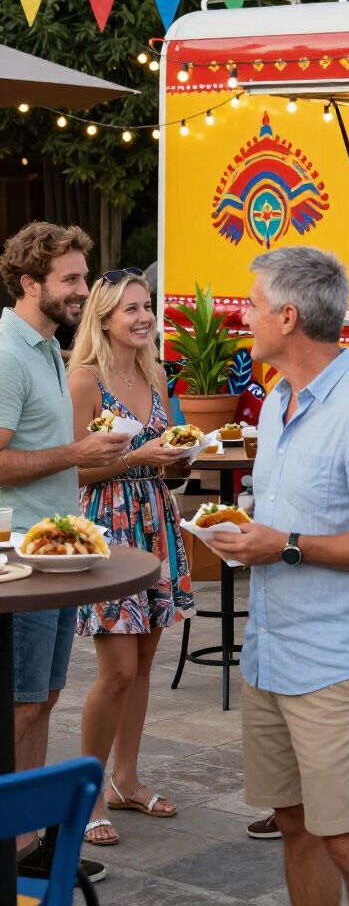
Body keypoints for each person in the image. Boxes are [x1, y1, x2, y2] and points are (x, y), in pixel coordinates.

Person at [207, 246, 349, 906]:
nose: (245, 317)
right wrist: (251, 536)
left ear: (289, 316)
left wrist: (287, 545)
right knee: (295, 826)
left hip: (336, 663)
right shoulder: (277, 401)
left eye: (256, 305)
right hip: (273, 655)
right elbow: (289, 520)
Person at [0, 222, 132, 884]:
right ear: (30, 283)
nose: (85, 290)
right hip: (16, 562)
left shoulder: (48, 347)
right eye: (71, 280)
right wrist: (78, 454)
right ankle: (15, 844)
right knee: (24, 702)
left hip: (51, 555)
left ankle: (25, 838)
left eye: (84, 277)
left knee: (44, 697)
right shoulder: (6, 351)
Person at [67, 267, 196, 847]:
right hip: (107, 527)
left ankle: (126, 780)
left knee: (144, 664)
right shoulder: (84, 381)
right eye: (131, 310)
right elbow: (76, 467)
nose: (145, 317)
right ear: (105, 318)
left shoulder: (155, 371)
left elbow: (168, 459)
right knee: (116, 670)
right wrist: (139, 455)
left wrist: (182, 459)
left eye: (148, 306)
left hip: (156, 520)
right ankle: (87, 796)